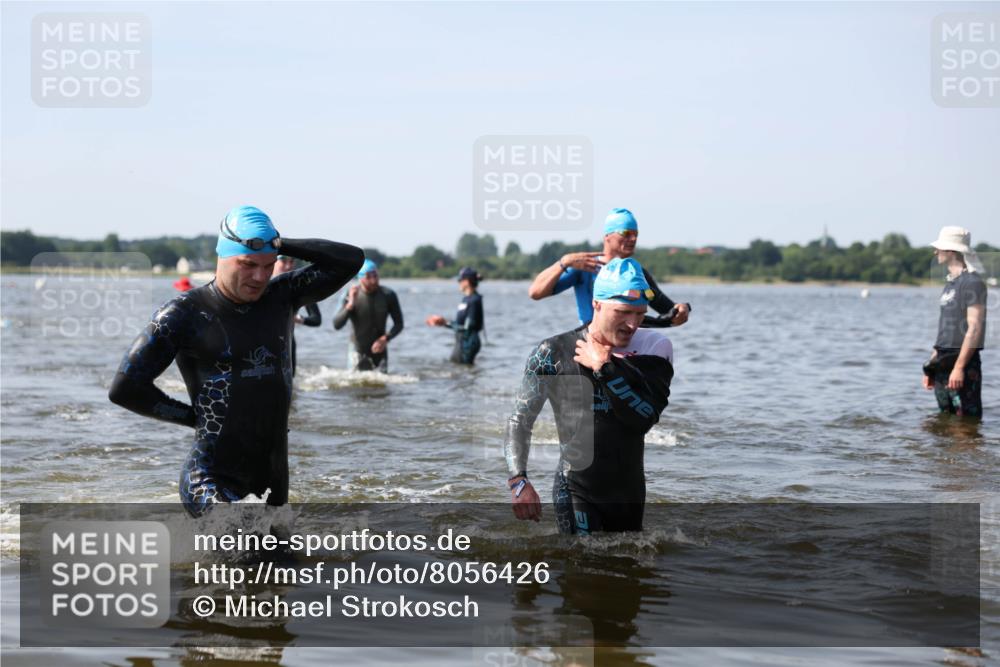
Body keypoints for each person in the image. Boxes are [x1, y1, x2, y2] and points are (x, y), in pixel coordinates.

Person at [108, 205, 364, 517]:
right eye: (248, 264)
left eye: (268, 266)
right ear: (224, 256)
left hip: (271, 479)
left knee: (280, 563)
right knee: (241, 547)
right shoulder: (182, 314)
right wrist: (194, 418)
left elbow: (350, 260)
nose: (259, 276)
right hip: (211, 479)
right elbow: (125, 388)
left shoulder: (282, 296)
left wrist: (281, 244)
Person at [505, 257, 674, 534]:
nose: (633, 324)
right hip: (576, 488)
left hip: (628, 494)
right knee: (581, 567)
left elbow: (643, 418)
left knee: (626, 571)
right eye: (623, 312)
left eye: (640, 314)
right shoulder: (552, 352)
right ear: (596, 303)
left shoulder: (655, 349)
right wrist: (519, 482)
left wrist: (604, 367)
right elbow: (519, 421)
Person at [528, 208, 690, 327]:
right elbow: (535, 292)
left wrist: (683, 309)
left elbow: (669, 310)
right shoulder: (586, 265)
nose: (633, 238)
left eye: (636, 234)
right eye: (626, 233)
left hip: (627, 341)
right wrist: (563, 262)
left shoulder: (637, 272)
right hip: (593, 340)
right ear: (607, 236)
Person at [922, 227, 987, 419]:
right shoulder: (950, 284)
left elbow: (974, 328)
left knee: (966, 423)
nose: (936, 252)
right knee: (945, 421)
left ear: (950, 251)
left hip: (963, 363)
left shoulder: (973, 282)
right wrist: (932, 366)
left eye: (939, 248)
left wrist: (959, 368)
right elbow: (945, 329)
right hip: (942, 363)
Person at [332, 259, 404, 372]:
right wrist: (350, 304)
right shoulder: (349, 294)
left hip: (380, 349)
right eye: (369, 276)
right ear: (360, 278)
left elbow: (399, 324)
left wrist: (385, 339)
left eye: (375, 275)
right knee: (354, 385)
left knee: (381, 385)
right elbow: (336, 324)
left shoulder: (388, 295)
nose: (374, 280)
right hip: (357, 350)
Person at [274, 255, 322, 375]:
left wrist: (298, 319)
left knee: (290, 385)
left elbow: (317, 319)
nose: (288, 266)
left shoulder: (299, 289)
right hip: (262, 346)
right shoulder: (258, 285)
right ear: (272, 261)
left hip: (288, 344)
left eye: (291, 262)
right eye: (284, 261)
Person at [426, 267, 485, 365]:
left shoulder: (474, 300)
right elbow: (460, 324)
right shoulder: (466, 299)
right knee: (458, 368)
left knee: (461, 367)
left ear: (466, 281)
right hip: (462, 340)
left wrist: (445, 322)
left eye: (460, 280)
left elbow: (468, 328)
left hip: (468, 343)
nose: (459, 283)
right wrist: (443, 322)